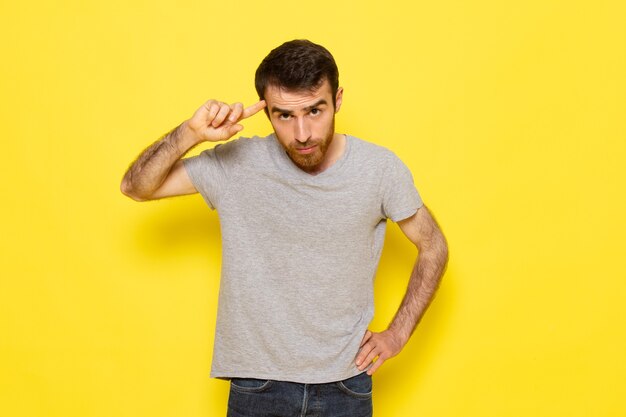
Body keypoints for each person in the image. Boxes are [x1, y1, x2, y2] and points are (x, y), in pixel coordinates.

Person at [121, 39, 448, 417]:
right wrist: (190, 133)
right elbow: (136, 187)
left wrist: (398, 334)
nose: (303, 132)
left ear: (337, 100)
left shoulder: (379, 169)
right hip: (257, 386)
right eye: (285, 116)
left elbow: (433, 245)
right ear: (266, 111)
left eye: (315, 110)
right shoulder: (237, 163)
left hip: (346, 382)